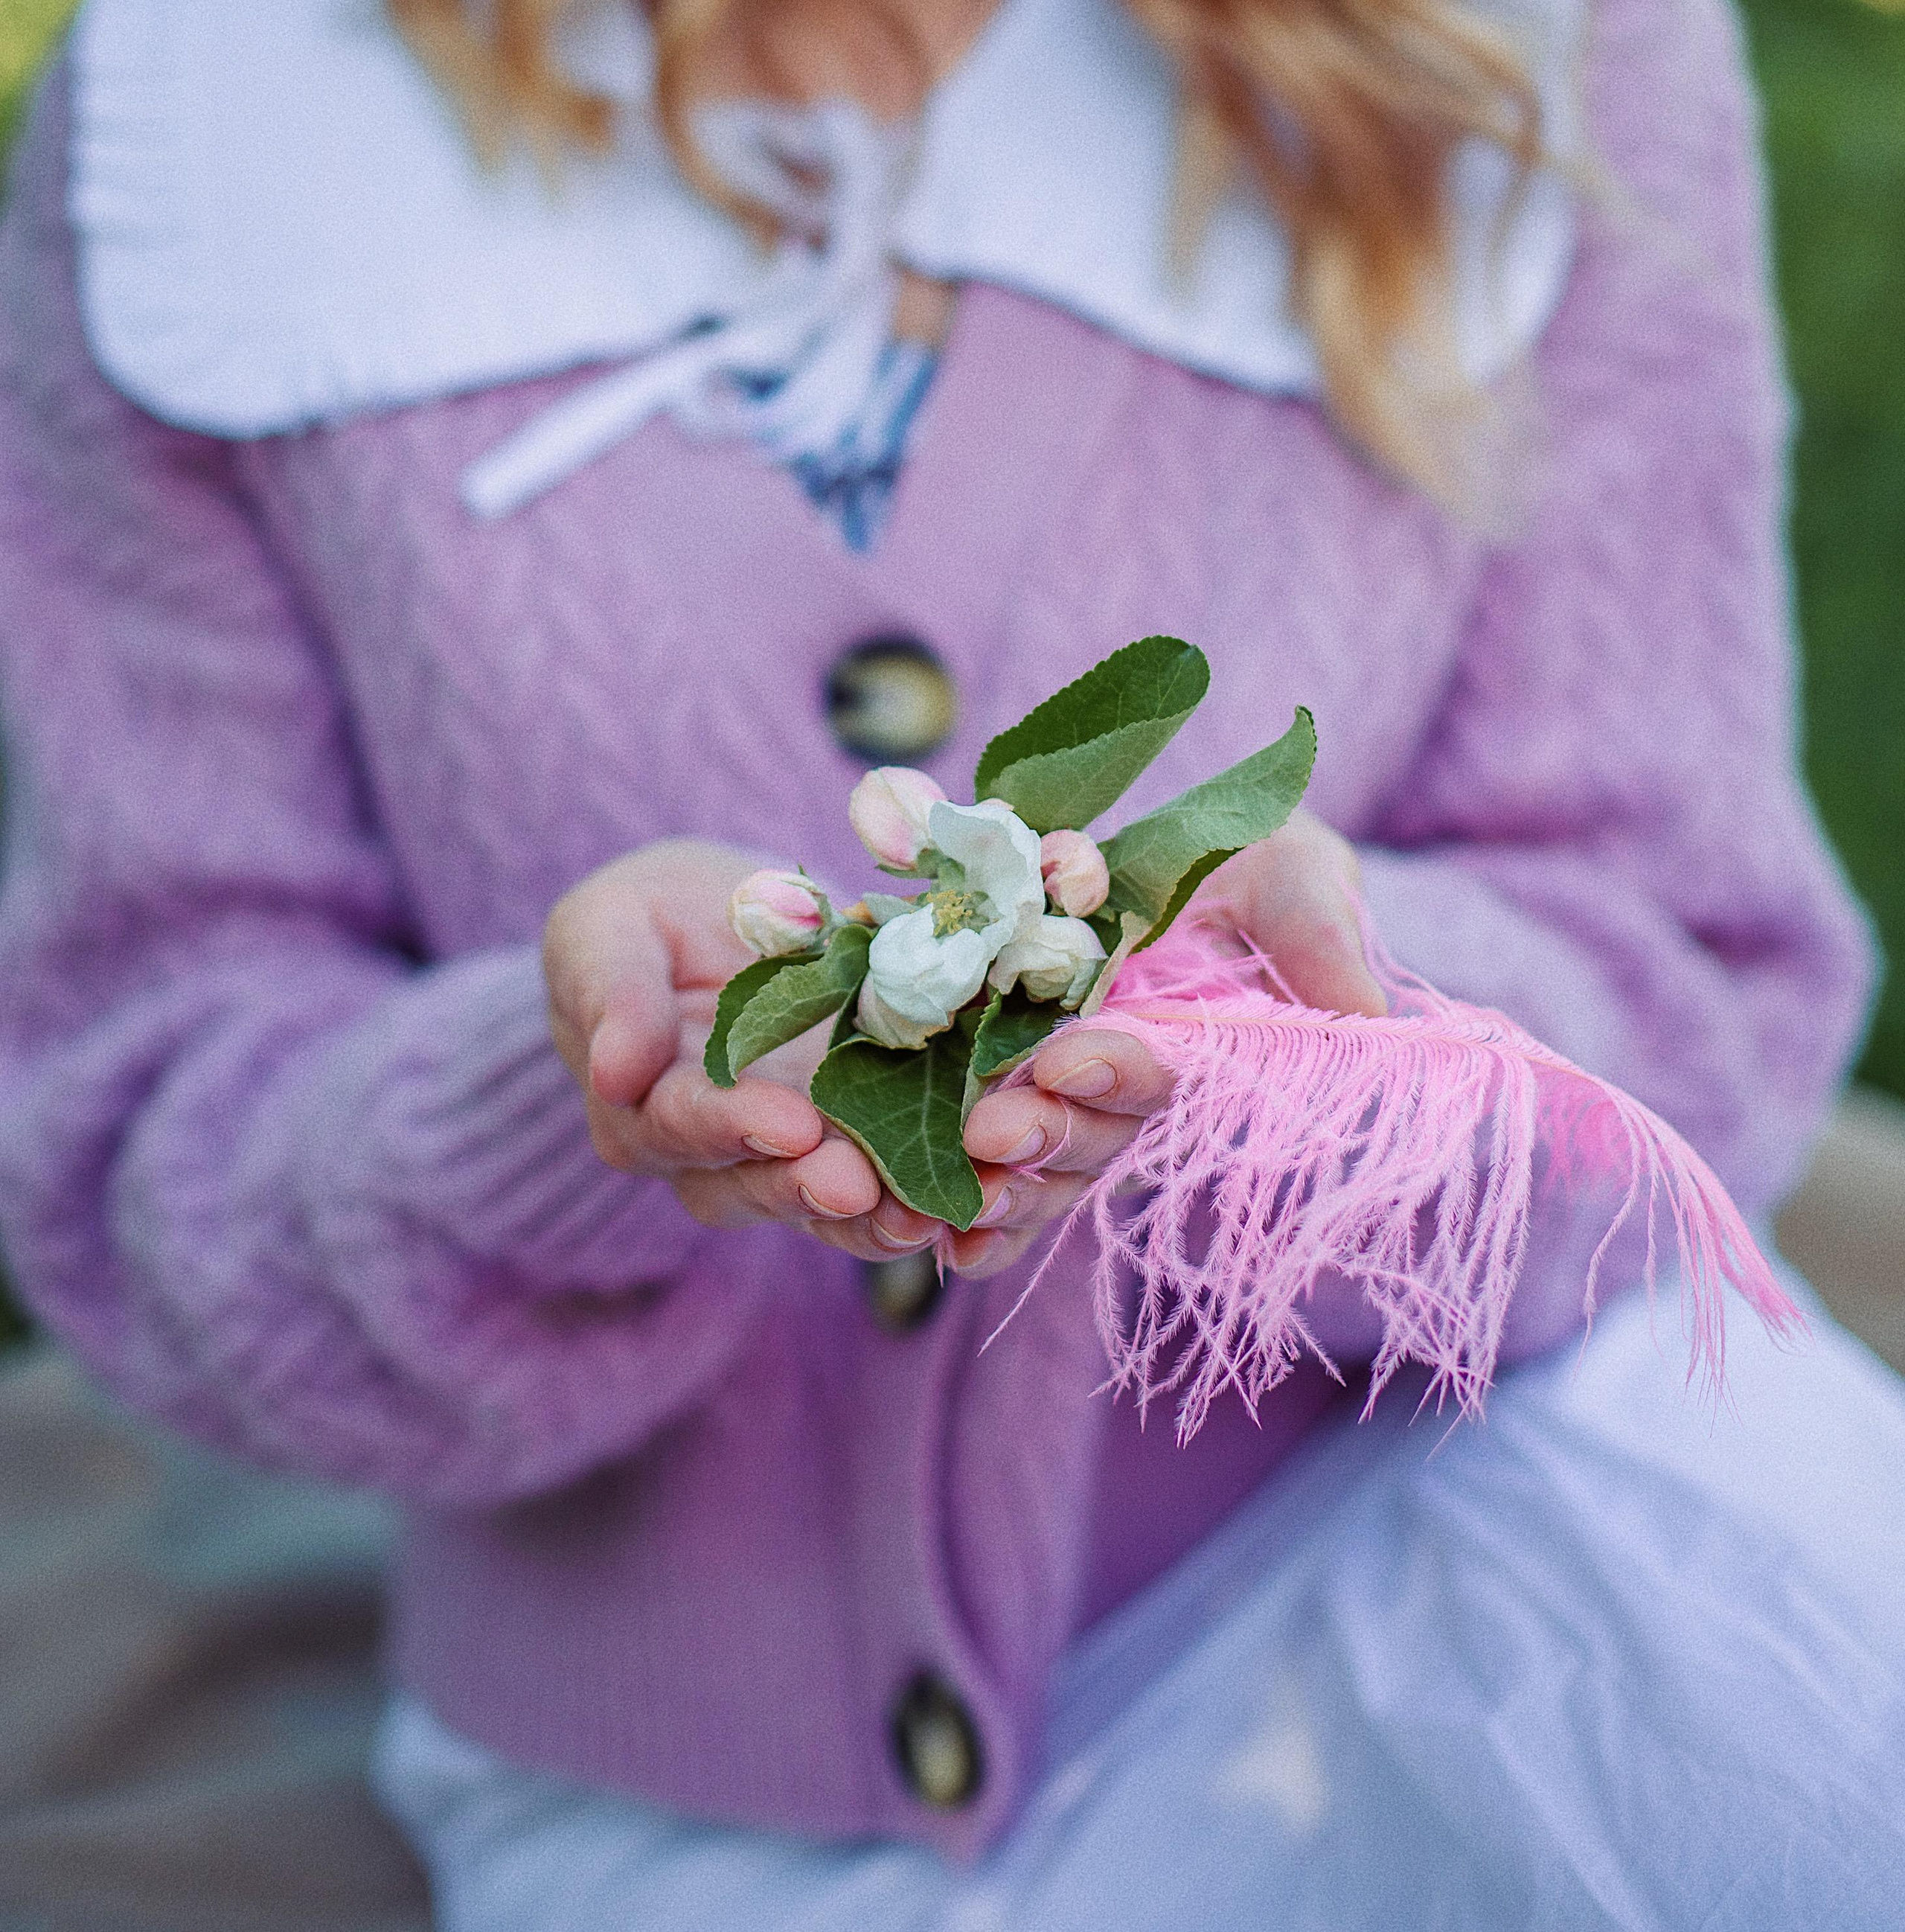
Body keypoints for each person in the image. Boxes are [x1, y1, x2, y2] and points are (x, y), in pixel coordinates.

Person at [1, 0, 1901, 1923]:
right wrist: (559, 1105)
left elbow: (1687, 964)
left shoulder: (1528, 49)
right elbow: (143, 1123)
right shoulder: (208, 139)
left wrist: (1259, 1053)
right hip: (686, 1789)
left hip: (1468, 1533)